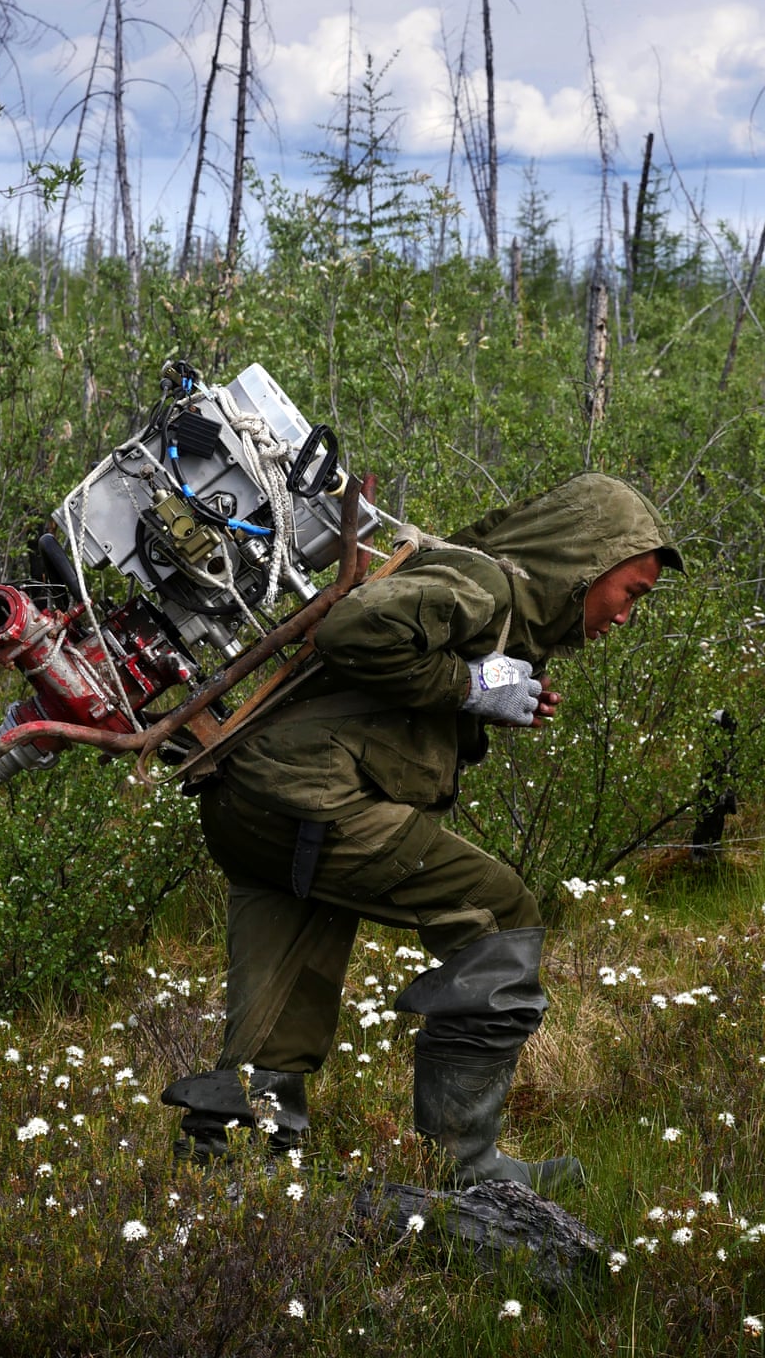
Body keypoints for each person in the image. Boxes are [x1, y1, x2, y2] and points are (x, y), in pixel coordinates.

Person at [160, 473, 681, 1194]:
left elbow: (394, 677)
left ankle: (233, 1176)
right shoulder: (484, 585)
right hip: (305, 798)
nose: (627, 615)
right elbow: (354, 632)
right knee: (499, 914)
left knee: (285, 996)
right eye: (632, 592)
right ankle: (467, 1168)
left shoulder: (495, 608)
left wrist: (481, 700)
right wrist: (467, 689)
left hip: (256, 803)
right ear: (587, 562)